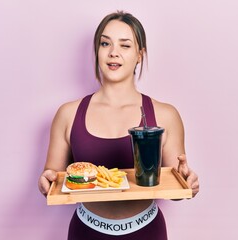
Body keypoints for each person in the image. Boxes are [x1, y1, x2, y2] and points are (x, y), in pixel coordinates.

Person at [38, 11, 199, 240]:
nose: (113, 52)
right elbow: (53, 177)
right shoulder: (67, 114)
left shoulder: (166, 115)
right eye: (105, 43)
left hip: (147, 231)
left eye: (125, 45)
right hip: (86, 231)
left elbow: (174, 188)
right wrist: (46, 180)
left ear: (140, 55)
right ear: (97, 51)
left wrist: (186, 181)